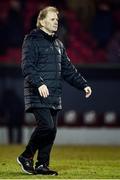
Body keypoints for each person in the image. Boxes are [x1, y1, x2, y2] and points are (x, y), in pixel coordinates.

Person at [17, 6, 92, 176]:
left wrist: (83, 84)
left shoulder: (58, 44)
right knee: (47, 126)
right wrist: (39, 83)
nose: (56, 22)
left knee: (52, 130)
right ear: (42, 21)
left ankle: (42, 164)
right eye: (52, 19)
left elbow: (68, 69)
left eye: (57, 19)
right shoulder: (31, 40)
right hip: (38, 92)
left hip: (54, 94)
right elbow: (27, 66)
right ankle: (26, 156)